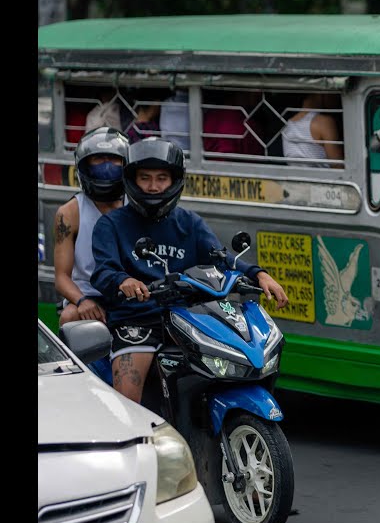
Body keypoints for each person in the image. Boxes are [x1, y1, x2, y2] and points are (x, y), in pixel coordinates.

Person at [91, 137, 289, 405]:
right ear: (131, 180)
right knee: (128, 398)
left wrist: (259, 275)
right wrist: (123, 280)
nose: (153, 186)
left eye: (161, 178)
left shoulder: (189, 222)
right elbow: (103, 271)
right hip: (137, 319)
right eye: (145, 178)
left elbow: (221, 258)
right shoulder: (111, 225)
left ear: (174, 181)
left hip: (188, 317)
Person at [53, 127, 130, 327]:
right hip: (88, 295)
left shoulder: (136, 204)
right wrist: (81, 301)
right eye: (99, 159)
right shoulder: (69, 212)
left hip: (130, 292)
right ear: (84, 165)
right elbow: (61, 277)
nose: (106, 166)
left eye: (113, 159)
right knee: (69, 317)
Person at [282, 92, 343, 167]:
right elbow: (338, 166)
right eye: (333, 91)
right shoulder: (323, 122)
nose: (337, 96)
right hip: (322, 178)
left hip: (295, 177)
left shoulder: (288, 126)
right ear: (320, 93)